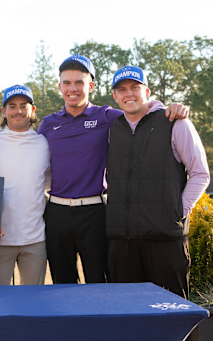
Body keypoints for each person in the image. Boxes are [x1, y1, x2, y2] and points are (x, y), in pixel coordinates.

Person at [38, 54, 188, 284]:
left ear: (91, 86)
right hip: (56, 213)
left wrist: (169, 107)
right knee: (61, 282)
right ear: (59, 87)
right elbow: (29, 151)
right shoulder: (48, 124)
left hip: (95, 213)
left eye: (79, 82)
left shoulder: (107, 116)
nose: (73, 88)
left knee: (99, 283)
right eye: (67, 83)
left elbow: (141, 112)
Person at [106, 65, 209, 298]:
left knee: (171, 316)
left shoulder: (175, 123)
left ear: (147, 91)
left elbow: (200, 173)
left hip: (165, 241)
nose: (128, 93)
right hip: (123, 242)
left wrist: (177, 211)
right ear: (115, 96)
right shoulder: (114, 129)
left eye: (135, 87)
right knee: (127, 316)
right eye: (121, 89)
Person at [0, 84, 49, 285]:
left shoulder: (44, 144)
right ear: (4, 111)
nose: (18, 111)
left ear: (32, 110)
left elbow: (48, 182)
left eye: (24, 105)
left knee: (33, 303)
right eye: (12, 106)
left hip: (36, 239)